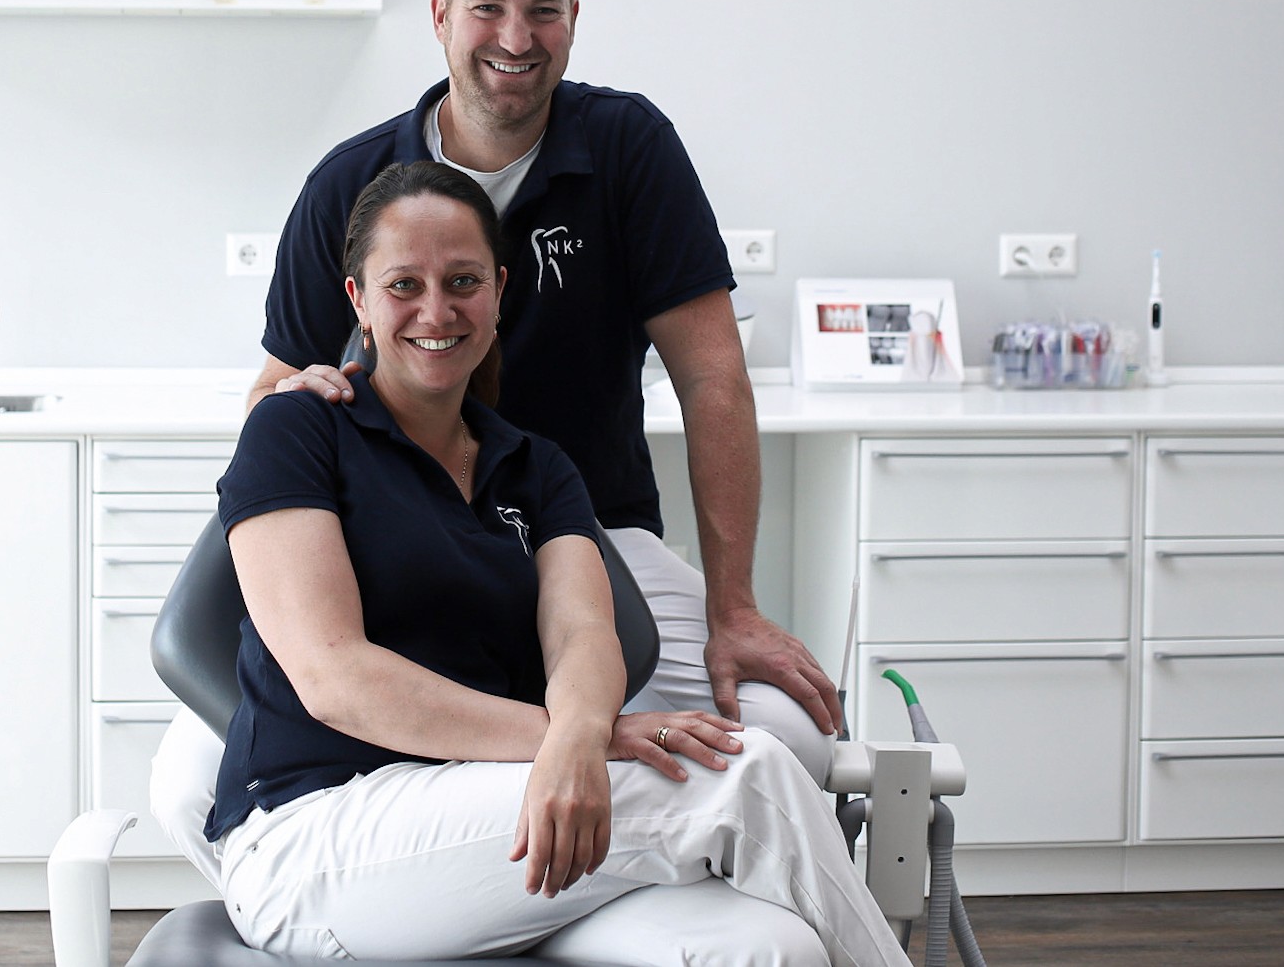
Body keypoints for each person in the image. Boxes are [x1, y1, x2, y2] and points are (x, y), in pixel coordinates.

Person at [154, 0, 841, 880]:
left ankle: (561, 900)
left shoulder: (626, 150)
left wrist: (734, 607)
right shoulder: (350, 183)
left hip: (589, 537)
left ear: (571, 19)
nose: (514, 39)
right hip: (395, 550)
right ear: (440, 15)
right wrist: (293, 396)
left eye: (541, 11)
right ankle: (404, 903)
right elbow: (274, 389)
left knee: (786, 739)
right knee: (188, 787)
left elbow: (712, 379)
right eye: (487, 9)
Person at [209, 162, 903, 966]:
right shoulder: (298, 429)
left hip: (500, 815)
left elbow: (581, 633)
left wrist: (579, 734)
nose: (437, 309)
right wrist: (570, 740)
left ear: (500, 292)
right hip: (318, 834)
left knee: (769, 947)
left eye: (463, 280)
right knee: (750, 775)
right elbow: (334, 677)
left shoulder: (535, 467)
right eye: (405, 283)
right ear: (359, 300)